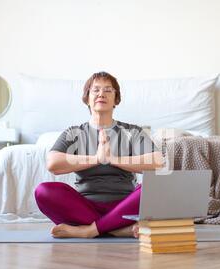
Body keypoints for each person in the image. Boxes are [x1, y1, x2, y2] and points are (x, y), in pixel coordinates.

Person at [34, 71, 164, 238]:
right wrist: (97, 158)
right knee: (43, 191)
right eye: (95, 90)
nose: (101, 94)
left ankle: (90, 230)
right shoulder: (74, 132)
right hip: (85, 206)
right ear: (87, 98)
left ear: (116, 99)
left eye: (108, 90)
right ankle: (117, 229)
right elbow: (53, 163)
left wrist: (112, 159)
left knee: (154, 188)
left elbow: (157, 162)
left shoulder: (132, 131)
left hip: (125, 205)